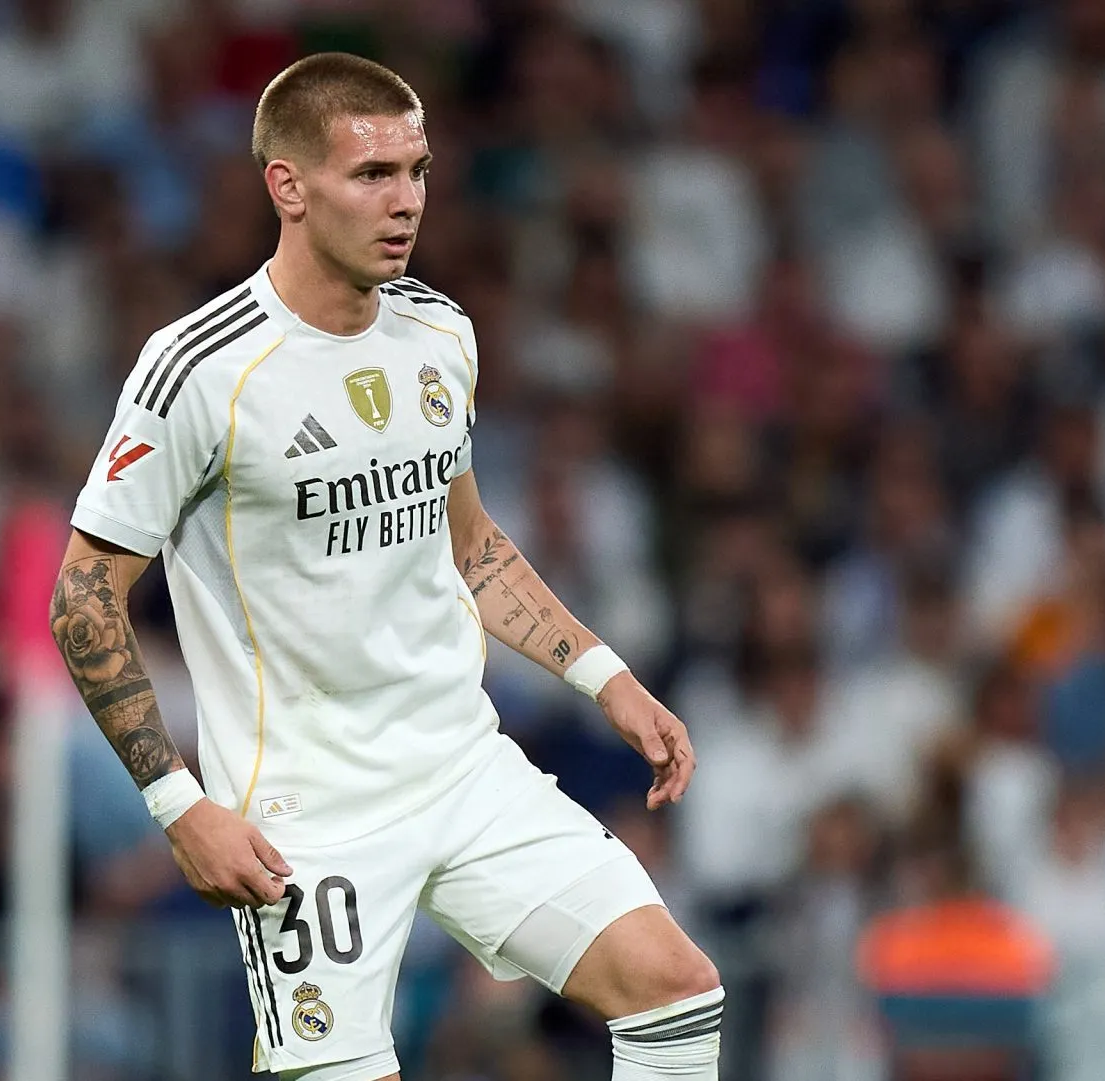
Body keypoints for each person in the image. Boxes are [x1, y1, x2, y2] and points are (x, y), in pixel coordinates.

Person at [50, 52, 723, 1081]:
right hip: (305, 816)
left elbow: (471, 545)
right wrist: (179, 806)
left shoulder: (439, 331)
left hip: (463, 764)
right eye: (372, 175)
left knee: (675, 988)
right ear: (289, 186)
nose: (405, 199)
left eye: (417, 169)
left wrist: (607, 679)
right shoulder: (200, 369)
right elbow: (82, 598)